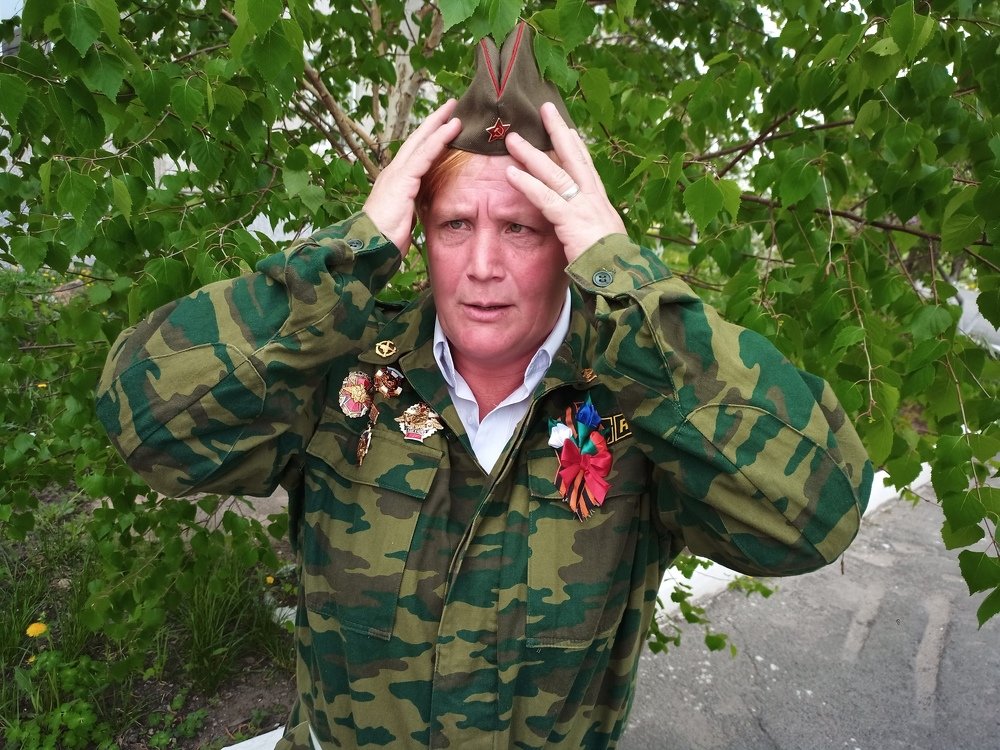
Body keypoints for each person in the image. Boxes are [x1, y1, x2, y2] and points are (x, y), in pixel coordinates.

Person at [96, 22, 873, 750]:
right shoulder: (347, 377)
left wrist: (628, 281)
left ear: (570, 244)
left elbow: (815, 520)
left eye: (521, 229)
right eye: (455, 225)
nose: (482, 267)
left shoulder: (635, 404)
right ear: (421, 236)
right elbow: (147, 424)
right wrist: (349, 256)